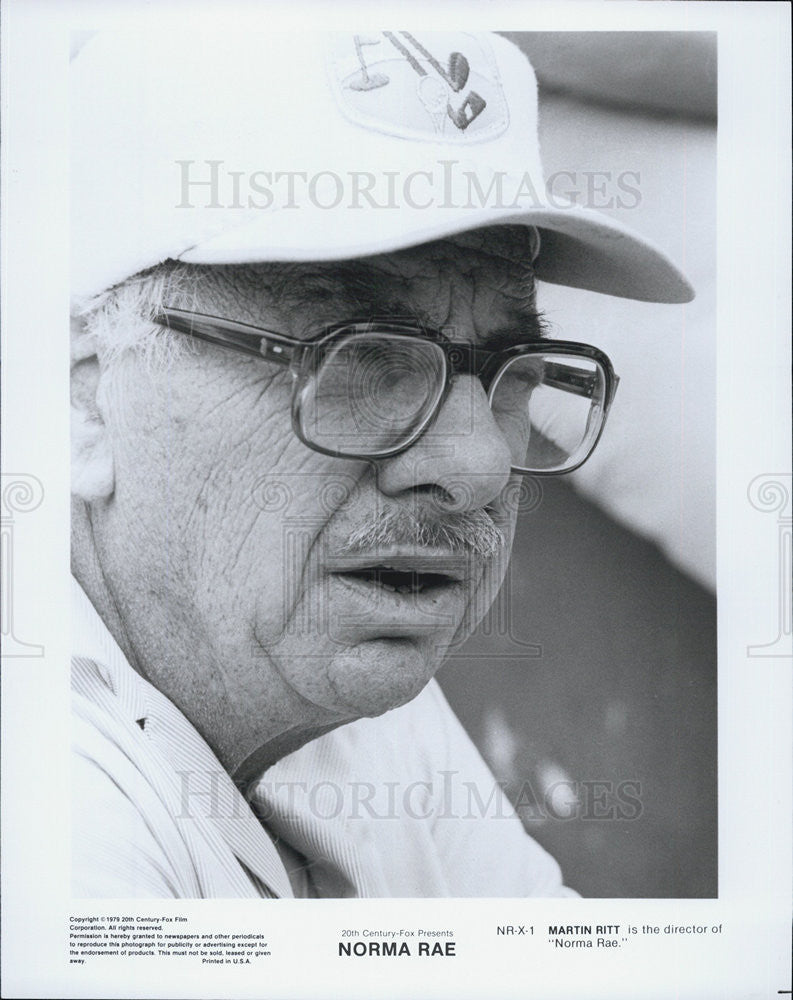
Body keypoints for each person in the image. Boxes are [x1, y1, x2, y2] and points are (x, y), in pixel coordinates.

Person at [70, 30, 693, 898]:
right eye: (360, 356)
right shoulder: (53, 821)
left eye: (508, 372)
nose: (479, 468)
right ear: (83, 401)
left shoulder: (312, 675)